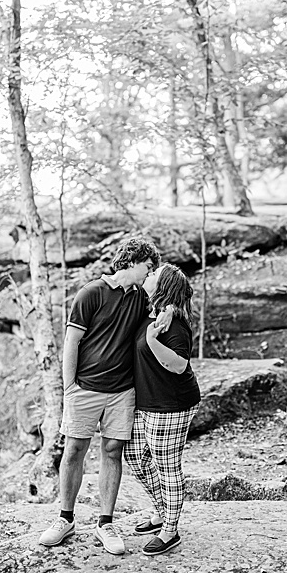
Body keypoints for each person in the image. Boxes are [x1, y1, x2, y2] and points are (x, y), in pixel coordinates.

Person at [40, 236, 161, 554]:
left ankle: (105, 523)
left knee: (112, 452)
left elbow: (163, 312)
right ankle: (65, 519)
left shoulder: (141, 299)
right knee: (74, 450)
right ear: (133, 261)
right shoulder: (91, 293)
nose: (150, 274)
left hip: (122, 391)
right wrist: (69, 388)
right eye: (148, 268)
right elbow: (72, 343)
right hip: (84, 388)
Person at [124, 262, 201, 556]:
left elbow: (179, 365)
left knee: (166, 464)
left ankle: (170, 529)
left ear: (164, 285)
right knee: (134, 454)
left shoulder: (175, 326)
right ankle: (161, 509)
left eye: (155, 274)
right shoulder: (152, 313)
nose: (149, 274)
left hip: (171, 405)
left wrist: (152, 340)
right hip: (147, 402)